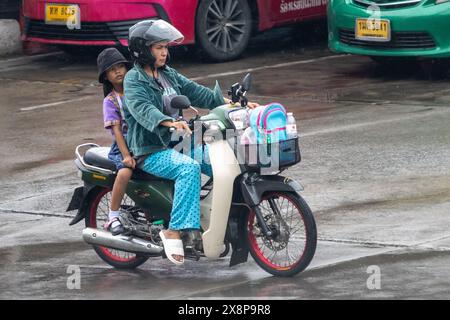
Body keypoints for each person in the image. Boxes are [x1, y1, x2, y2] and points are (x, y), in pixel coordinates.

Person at [123, 20, 258, 265]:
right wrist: (168, 122)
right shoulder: (133, 80)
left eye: (165, 47)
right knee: (189, 169)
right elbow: (142, 109)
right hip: (150, 149)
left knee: (224, 162)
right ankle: (175, 230)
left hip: (178, 142)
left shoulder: (167, 74)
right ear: (142, 49)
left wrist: (239, 105)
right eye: (158, 47)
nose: (164, 52)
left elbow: (199, 93)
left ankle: (219, 222)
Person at [97, 48, 135, 236]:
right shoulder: (110, 101)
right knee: (125, 171)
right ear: (106, 76)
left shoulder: (137, 90)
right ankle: (113, 216)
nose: (119, 71)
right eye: (113, 69)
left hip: (143, 141)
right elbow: (117, 131)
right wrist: (126, 155)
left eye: (121, 67)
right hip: (124, 146)